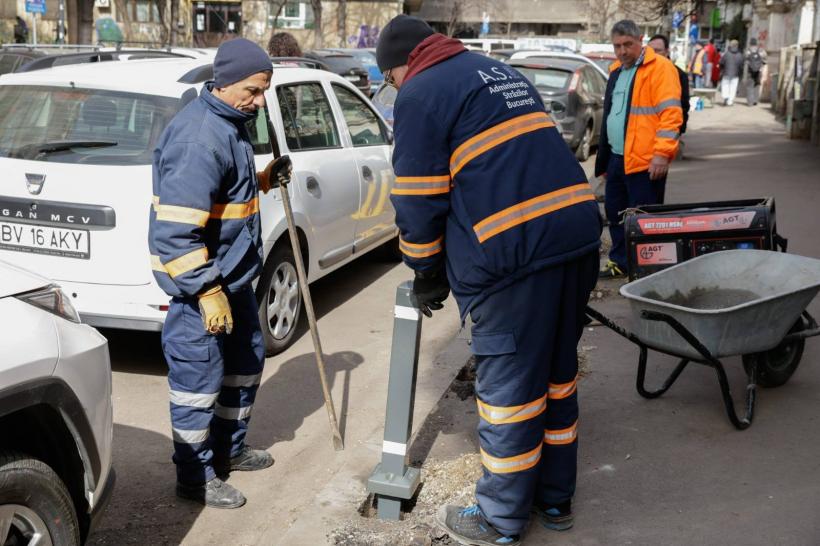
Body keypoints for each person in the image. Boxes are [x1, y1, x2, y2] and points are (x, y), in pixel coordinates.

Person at [377, 14, 601, 546]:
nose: (392, 88)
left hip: (513, 258)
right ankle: (555, 497)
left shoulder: (419, 94)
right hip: (575, 238)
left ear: (400, 66)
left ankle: (499, 519)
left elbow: (417, 198)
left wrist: (425, 269)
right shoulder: (498, 72)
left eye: (389, 79)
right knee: (556, 375)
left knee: (510, 394)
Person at [148, 38, 279, 509]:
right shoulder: (199, 138)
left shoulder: (231, 121)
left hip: (235, 279)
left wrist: (262, 180)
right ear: (223, 84)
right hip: (202, 290)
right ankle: (196, 476)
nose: (260, 100)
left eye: (265, 89)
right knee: (198, 385)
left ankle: (229, 449)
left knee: (244, 365)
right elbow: (176, 235)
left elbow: (223, 202)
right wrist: (205, 290)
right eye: (253, 90)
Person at [596, 20, 683, 279]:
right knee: (615, 213)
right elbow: (612, 118)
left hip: (646, 162)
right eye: (617, 46)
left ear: (640, 41)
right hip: (617, 158)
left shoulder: (661, 69)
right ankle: (621, 263)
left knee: (645, 219)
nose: (622, 51)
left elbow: (671, 115)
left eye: (628, 45)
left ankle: (647, 270)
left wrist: (662, 154)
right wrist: (604, 162)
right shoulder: (616, 71)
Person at [649, 34, 690, 135]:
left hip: (667, 133)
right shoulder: (641, 72)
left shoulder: (679, 74)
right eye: (650, 51)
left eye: (657, 50)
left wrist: (678, 132)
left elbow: (683, 106)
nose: (653, 54)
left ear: (667, 52)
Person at [719, 39, 744, 106]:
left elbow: (721, 62)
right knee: (733, 88)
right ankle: (730, 101)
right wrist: (740, 74)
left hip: (726, 73)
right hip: (735, 74)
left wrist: (722, 69)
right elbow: (741, 66)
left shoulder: (726, 54)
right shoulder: (740, 55)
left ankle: (725, 98)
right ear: (737, 46)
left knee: (725, 86)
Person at [745, 38, 767, 106]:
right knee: (757, 85)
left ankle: (750, 102)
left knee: (749, 86)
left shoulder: (748, 51)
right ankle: (755, 100)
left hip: (750, 71)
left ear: (750, 43)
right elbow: (765, 60)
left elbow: (746, 61)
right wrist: (761, 66)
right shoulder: (761, 50)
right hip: (758, 71)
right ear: (756, 43)